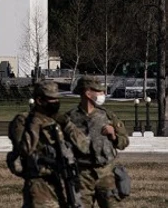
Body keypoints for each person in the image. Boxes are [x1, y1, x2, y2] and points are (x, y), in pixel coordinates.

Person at [18, 81, 90, 208]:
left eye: (57, 99)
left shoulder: (59, 121)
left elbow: (84, 146)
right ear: (39, 101)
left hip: (66, 181)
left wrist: (67, 125)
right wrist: (35, 123)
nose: (56, 102)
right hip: (42, 185)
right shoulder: (25, 121)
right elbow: (26, 149)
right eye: (52, 99)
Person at [63, 76, 129, 207]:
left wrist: (113, 135)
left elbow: (124, 142)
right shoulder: (69, 119)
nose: (102, 94)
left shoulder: (108, 116)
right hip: (82, 176)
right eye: (99, 91)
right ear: (88, 93)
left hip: (106, 174)